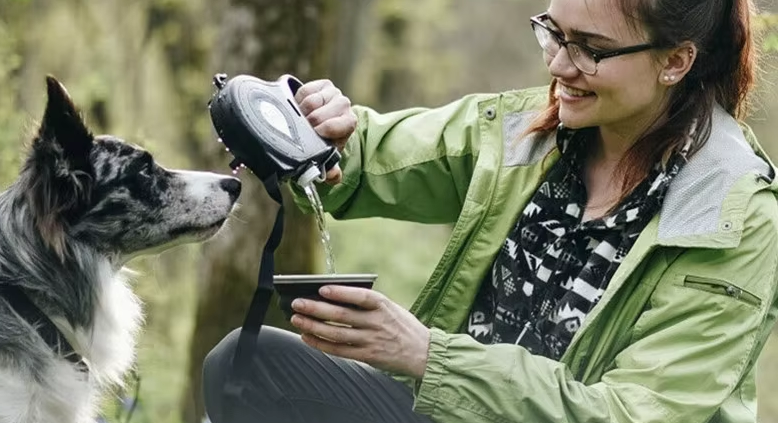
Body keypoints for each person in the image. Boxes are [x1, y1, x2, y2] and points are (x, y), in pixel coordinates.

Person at [203, 0, 778, 421]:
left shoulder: (735, 216)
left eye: (591, 50)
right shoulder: (533, 128)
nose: (558, 66)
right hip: (450, 409)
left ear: (676, 61)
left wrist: (428, 356)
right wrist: (314, 132)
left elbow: (630, 414)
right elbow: (375, 156)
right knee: (247, 363)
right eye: (553, 33)